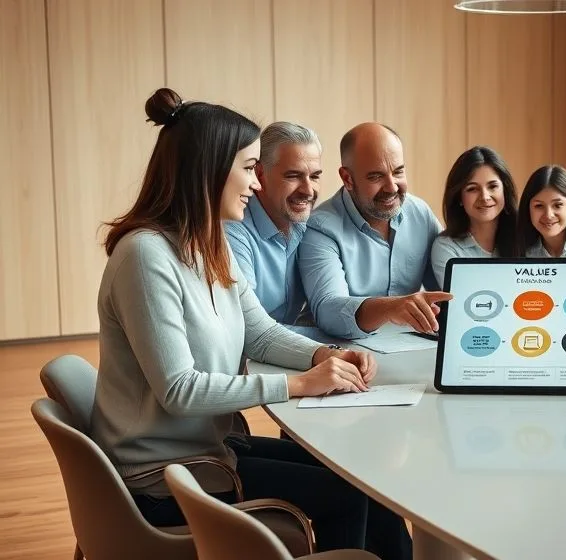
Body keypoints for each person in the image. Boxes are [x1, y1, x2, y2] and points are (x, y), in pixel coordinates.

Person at [91, 88, 410, 558]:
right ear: (210, 171)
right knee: (347, 496)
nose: (255, 184)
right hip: (168, 476)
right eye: (247, 168)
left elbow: (258, 331)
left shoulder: (209, 244)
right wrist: (300, 384)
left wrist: (328, 356)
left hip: (211, 450)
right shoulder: (146, 255)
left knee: (357, 475)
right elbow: (179, 390)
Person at [299, 122, 449, 338]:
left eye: (398, 172)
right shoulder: (320, 228)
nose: (392, 187)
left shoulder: (419, 213)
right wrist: (390, 308)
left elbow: (446, 287)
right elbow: (328, 311)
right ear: (347, 179)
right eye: (376, 177)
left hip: (412, 347)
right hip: (348, 354)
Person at [224, 121, 321, 326]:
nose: (308, 190)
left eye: (314, 176)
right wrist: (327, 347)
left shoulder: (310, 226)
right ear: (259, 175)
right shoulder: (232, 232)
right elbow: (249, 329)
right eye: (293, 176)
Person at [430, 146, 519, 286]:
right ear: (459, 197)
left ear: (505, 190)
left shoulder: (524, 237)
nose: (484, 197)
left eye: (492, 186)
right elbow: (464, 301)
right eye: (472, 189)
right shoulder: (447, 248)